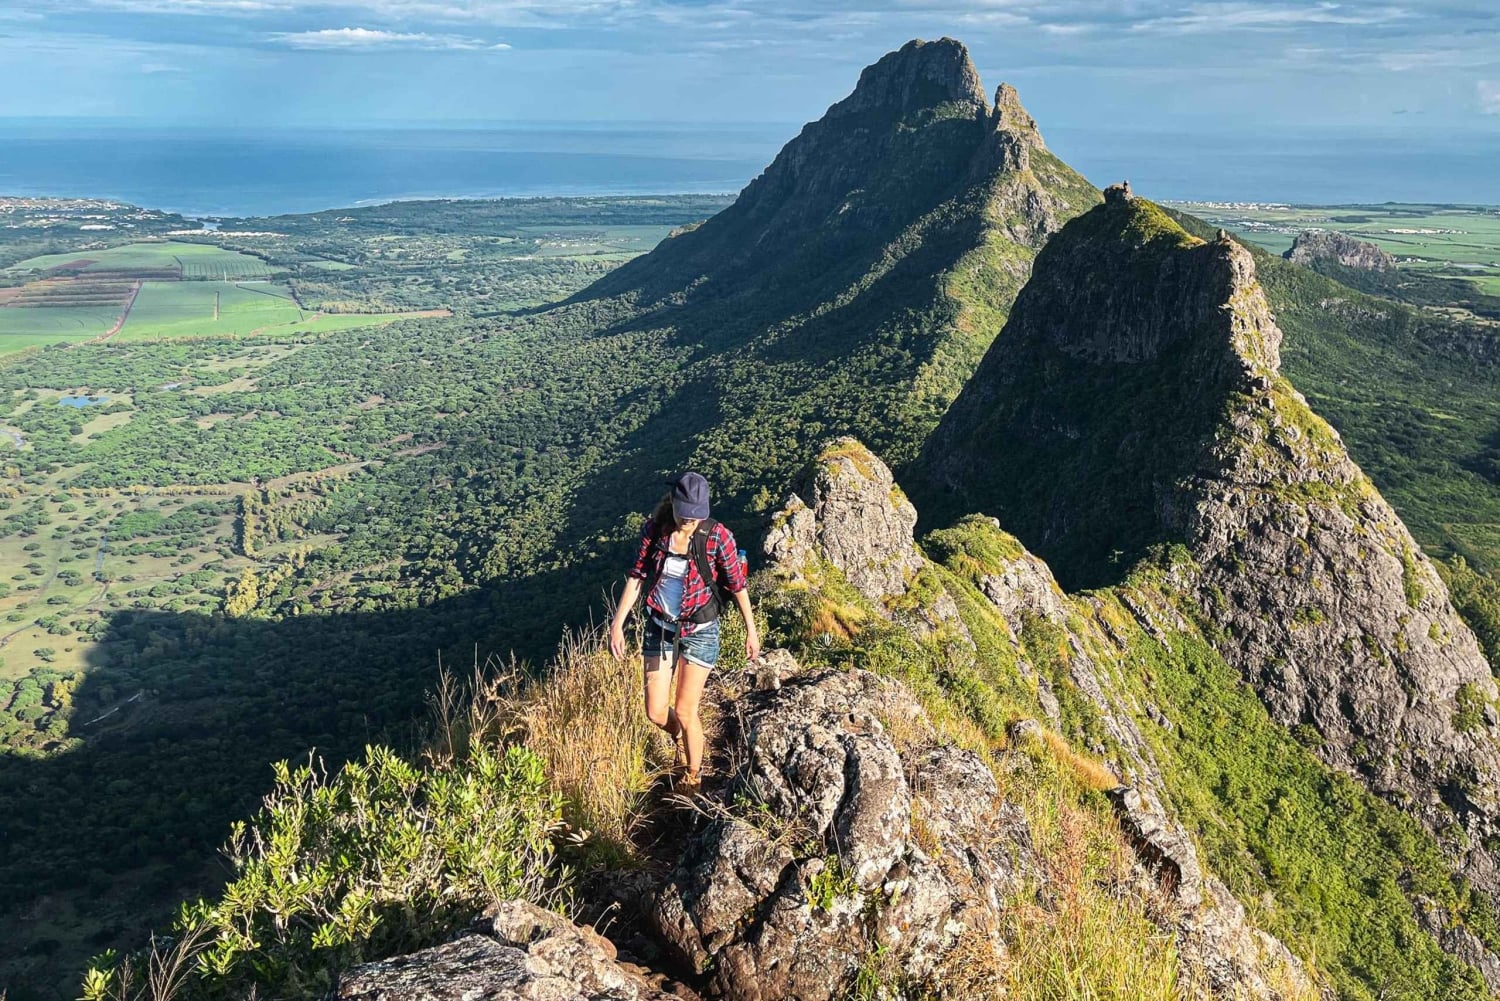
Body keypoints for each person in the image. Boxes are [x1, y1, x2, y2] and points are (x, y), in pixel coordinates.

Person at [609, 471, 761, 790]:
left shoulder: (716, 537)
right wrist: (617, 624)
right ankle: (678, 735)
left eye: (696, 516)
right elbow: (637, 577)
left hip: (700, 630)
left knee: (685, 709)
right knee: (655, 711)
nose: (689, 521)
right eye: (685, 515)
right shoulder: (656, 531)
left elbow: (737, 585)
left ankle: (693, 776)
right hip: (660, 626)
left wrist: (751, 629)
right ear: (674, 504)